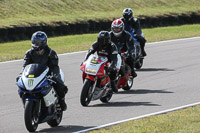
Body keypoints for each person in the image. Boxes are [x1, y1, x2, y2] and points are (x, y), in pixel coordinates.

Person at [16, 31, 68, 111]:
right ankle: (27, 105)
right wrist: (21, 75)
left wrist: (54, 75)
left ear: (43, 42)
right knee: (21, 87)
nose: (36, 44)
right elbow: (25, 66)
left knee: (59, 84)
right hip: (35, 75)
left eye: (38, 42)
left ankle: (61, 101)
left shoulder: (51, 53)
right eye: (34, 41)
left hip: (48, 75)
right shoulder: (29, 53)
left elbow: (55, 66)